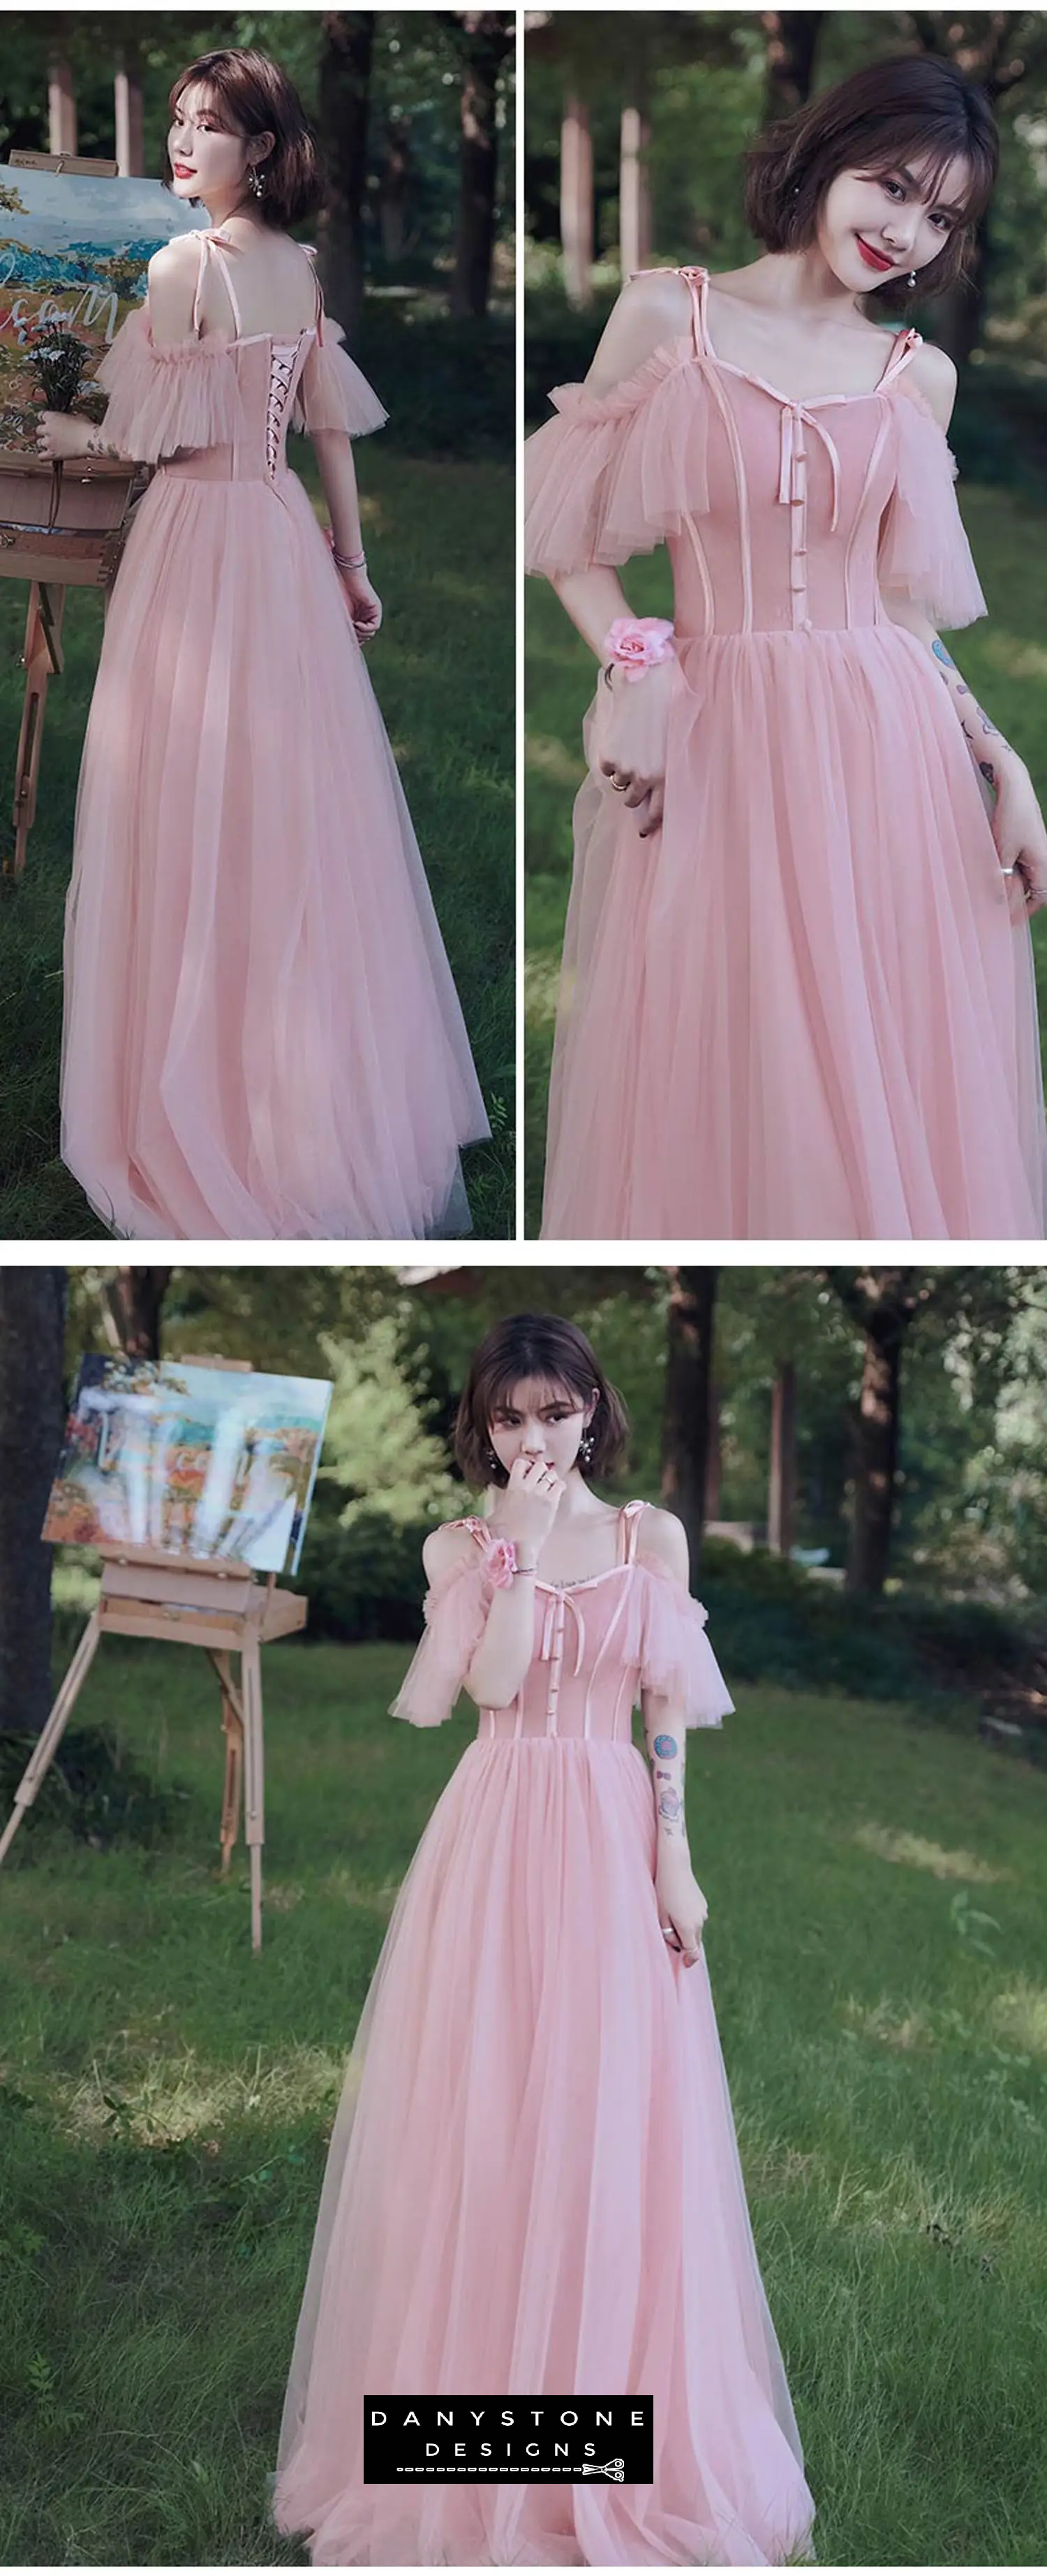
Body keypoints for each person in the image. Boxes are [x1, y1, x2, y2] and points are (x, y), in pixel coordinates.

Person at [271, 1312, 816, 2568]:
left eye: (556, 1412)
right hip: (499, 1820)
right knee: (486, 2112)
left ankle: (611, 2426)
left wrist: (675, 1854)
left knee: (615, 2112)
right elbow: (495, 1689)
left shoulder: (651, 1536)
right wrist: (510, 1551)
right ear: (484, 1425)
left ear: (592, 1407)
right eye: (510, 1417)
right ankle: (475, 2432)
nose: (536, 1437)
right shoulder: (457, 1541)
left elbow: (668, 1698)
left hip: (613, 1822)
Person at [525, 54, 1047, 1241]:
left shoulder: (922, 377)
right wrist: (641, 670)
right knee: (727, 1036)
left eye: (942, 215)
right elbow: (564, 538)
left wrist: (998, 761)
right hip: (722, 731)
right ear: (829, 154)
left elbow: (904, 608)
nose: (906, 231)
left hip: (888, 747)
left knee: (885, 1058)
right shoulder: (673, 314)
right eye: (893, 185)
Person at [37, 47, 489, 1240]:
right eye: (179, 123)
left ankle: (196, 1097)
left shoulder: (187, 266)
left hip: (199, 538)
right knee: (286, 808)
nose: (184, 145)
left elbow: (151, 438)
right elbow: (330, 432)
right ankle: (291, 1087)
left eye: (212, 128)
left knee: (183, 794)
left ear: (266, 151)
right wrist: (350, 561)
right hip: (280, 534)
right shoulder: (300, 270)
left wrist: (52, 416)